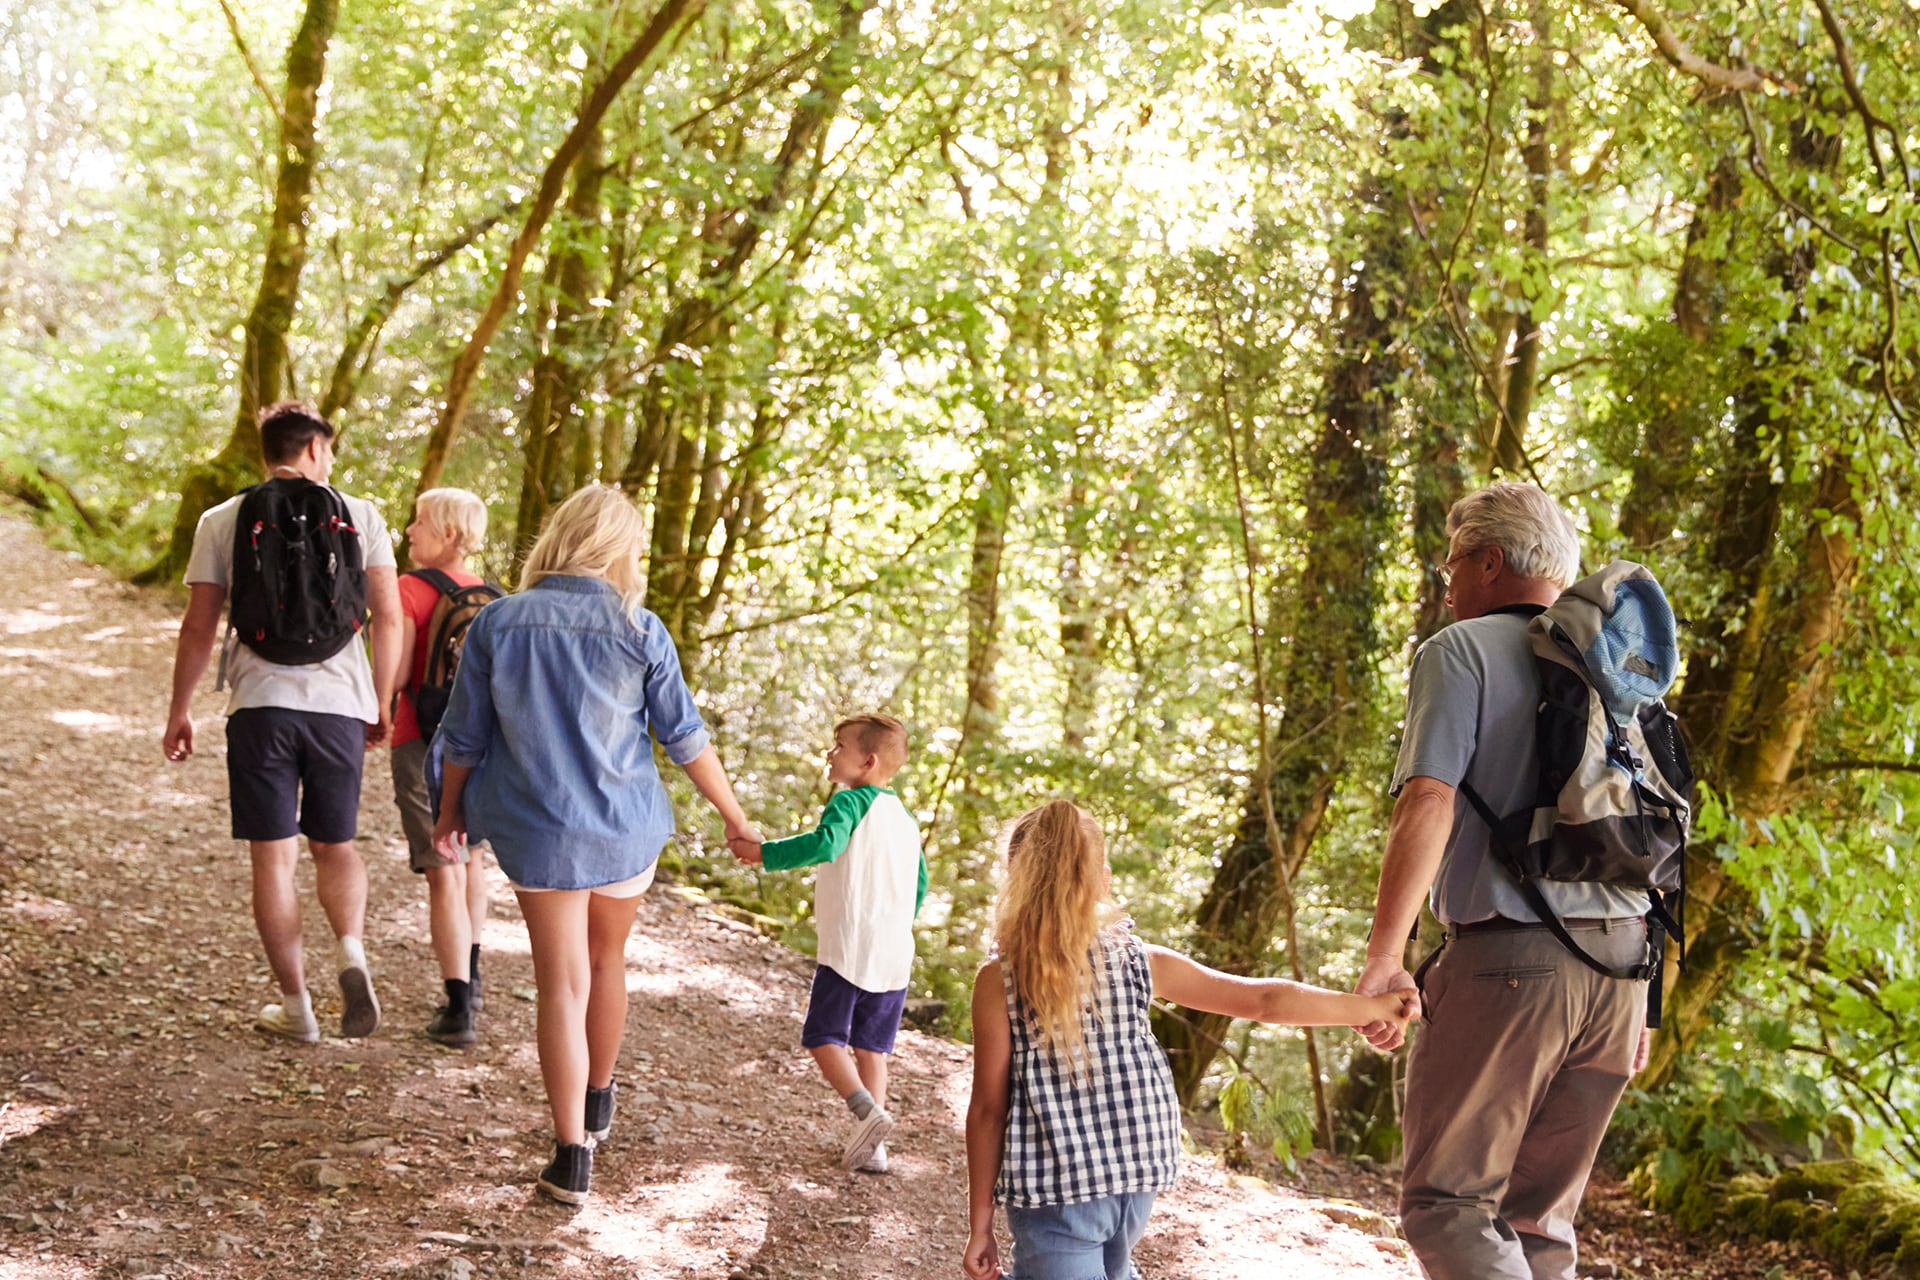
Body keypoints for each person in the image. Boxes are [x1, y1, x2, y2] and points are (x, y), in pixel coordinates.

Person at [429, 484, 760, 1207]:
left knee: (561, 984)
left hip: (540, 829)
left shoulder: (498, 623)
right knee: (607, 961)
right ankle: (599, 1095)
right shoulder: (639, 628)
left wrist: (449, 812)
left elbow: (463, 737)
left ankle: (572, 1154)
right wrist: (735, 818)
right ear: (617, 549)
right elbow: (685, 739)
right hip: (624, 828)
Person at [1354, 482, 1653, 1280]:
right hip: (1622, 972)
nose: (1447, 582)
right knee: (1539, 1223)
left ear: (1490, 562)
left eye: (1452, 563)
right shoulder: (1617, 665)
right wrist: (1646, 1001)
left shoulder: (1460, 652)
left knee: (1450, 1208)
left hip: (1514, 966)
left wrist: (1386, 956)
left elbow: (1429, 798)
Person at [964, 799, 1414, 1280]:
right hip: (1136, 1177)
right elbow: (1263, 1001)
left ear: (1015, 878)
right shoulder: (1139, 961)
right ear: (1102, 880)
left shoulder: (1001, 980)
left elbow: (989, 1109)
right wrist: (1367, 1008)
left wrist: (980, 1224)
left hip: (1057, 1185)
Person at [162, 401, 404, 1044]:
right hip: (340, 708)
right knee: (337, 847)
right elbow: (389, 616)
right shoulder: (362, 514)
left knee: (273, 862)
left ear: (267, 451)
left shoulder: (224, 518)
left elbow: (199, 625)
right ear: (318, 449)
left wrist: (179, 710)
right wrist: (383, 700)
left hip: (259, 704)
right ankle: (350, 947)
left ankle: (298, 1008)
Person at [730, 714, 926, 1175]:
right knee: (871, 1049)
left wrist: (762, 853)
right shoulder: (906, 819)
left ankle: (867, 1114)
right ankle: (872, 1149)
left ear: (868, 760)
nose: (830, 753)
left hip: (849, 947)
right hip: (894, 951)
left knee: (822, 1036)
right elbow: (919, 886)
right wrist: (894, 923)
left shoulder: (850, 802)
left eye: (839, 746)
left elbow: (825, 845)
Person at [390, 487, 496, 1048]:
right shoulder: (496, 598)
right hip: (476, 749)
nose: (410, 531)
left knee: (441, 869)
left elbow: (400, 672)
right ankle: (472, 977)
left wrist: (377, 713)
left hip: (420, 739)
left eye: (421, 522)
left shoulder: (410, 590)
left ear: (449, 534)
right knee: (472, 859)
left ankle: (457, 1006)